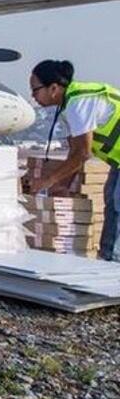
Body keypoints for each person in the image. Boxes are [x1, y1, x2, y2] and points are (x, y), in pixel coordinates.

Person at [28, 60, 120, 261]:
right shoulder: (68, 107)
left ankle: (112, 268)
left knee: (117, 204)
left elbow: (83, 154)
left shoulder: (79, 104)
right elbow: (75, 152)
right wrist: (64, 187)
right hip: (118, 161)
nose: (33, 97)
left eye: (35, 90)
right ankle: (108, 261)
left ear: (53, 88)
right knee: (111, 203)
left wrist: (48, 181)